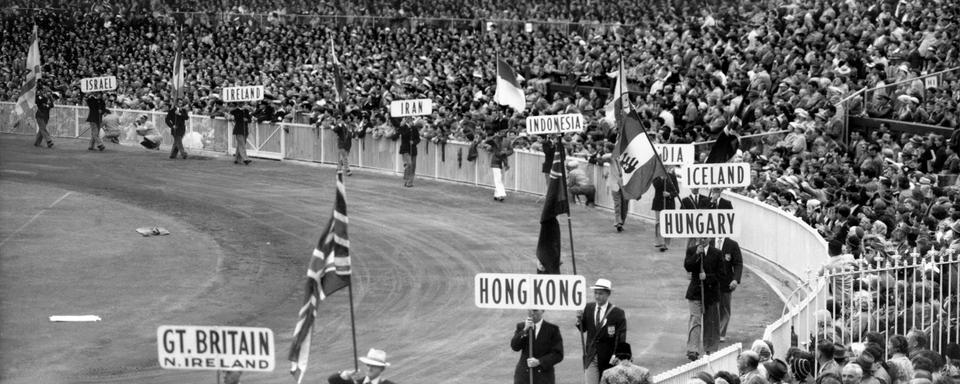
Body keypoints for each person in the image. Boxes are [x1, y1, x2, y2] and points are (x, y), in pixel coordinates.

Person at [576, 278, 627, 384]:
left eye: (600, 293)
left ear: (608, 294)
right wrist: (579, 319)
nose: (597, 296)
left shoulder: (618, 313)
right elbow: (583, 329)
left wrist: (616, 355)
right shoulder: (588, 308)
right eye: (595, 293)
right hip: (591, 357)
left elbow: (621, 337)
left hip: (609, 360)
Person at [685, 237, 723, 360]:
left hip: (711, 294)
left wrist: (707, 277)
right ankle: (693, 349)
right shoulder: (692, 250)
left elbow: (721, 274)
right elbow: (688, 266)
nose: (703, 239)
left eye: (705, 237)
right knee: (695, 320)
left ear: (710, 238)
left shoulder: (717, 253)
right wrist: (697, 254)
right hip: (695, 292)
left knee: (711, 321)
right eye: (700, 236)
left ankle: (710, 348)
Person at [510, 309, 564, 384]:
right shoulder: (521, 326)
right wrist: (525, 330)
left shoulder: (552, 329)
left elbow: (558, 354)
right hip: (524, 377)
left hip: (543, 377)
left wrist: (539, 361)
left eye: (535, 310)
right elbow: (515, 346)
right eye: (530, 310)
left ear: (542, 310)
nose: (532, 313)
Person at [716, 235, 743, 343]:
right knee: (712, 308)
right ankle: (712, 332)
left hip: (726, 283)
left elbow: (738, 264)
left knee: (724, 309)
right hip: (710, 282)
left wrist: (735, 279)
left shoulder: (732, 244)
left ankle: (720, 333)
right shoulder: (708, 241)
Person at [327, 348, 396, 384]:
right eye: (368, 364)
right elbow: (332, 380)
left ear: (382, 369)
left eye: (374, 366)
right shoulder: (356, 382)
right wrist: (345, 375)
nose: (370, 368)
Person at [602, 142, 629, 232]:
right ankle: (618, 222)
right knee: (617, 204)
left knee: (625, 205)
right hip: (615, 184)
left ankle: (622, 222)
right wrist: (615, 153)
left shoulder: (627, 157)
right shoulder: (612, 157)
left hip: (626, 184)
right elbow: (604, 157)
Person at [652, 166, 679, 248]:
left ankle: (666, 243)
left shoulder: (673, 177)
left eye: (666, 167)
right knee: (658, 222)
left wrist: (669, 194)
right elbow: (656, 186)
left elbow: (677, 191)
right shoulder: (656, 176)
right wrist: (662, 177)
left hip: (669, 204)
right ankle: (658, 241)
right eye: (663, 167)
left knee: (668, 223)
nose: (665, 168)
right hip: (659, 203)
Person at [485, 130, 512, 201]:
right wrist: (494, 136)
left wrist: (505, 153)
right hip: (495, 161)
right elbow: (487, 141)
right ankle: (501, 194)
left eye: (504, 133)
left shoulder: (508, 141)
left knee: (500, 179)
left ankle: (496, 195)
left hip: (504, 161)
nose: (502, 134)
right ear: (498, 133)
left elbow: (511, 151)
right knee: (498, 178)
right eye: (501, 133)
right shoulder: (495, 140)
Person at [398, 119, 420, 187]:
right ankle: (407, 179)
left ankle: (410, 182)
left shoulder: (414, 128)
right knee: (409, 164)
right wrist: (405, 126)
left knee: (413, 166)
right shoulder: (402, 127)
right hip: (405, 149)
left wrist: (414, 142)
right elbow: (403, 134)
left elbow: (418, 138)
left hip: (413, 149)